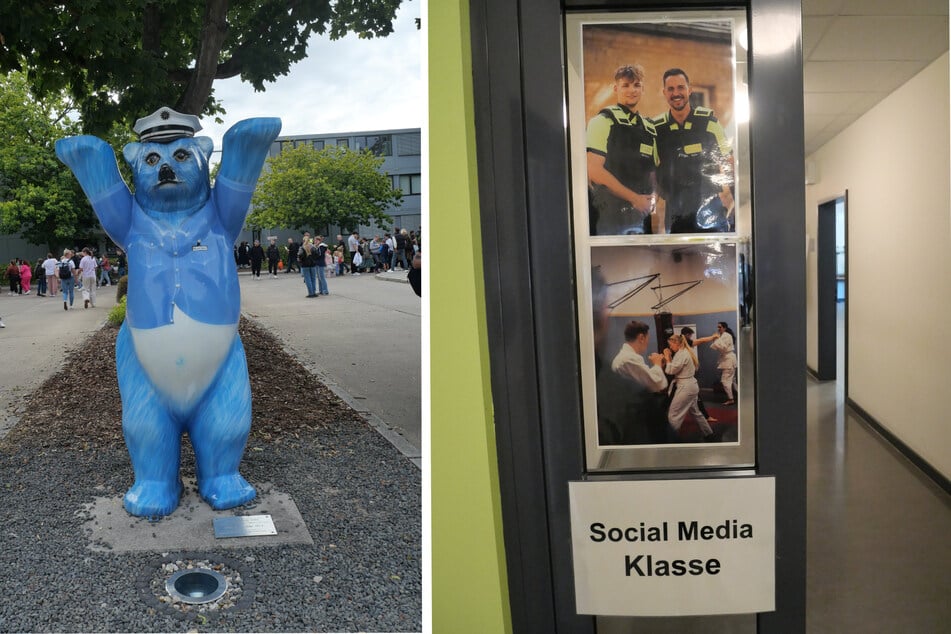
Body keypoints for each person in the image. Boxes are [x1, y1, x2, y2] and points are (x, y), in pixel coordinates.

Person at [652, 67, 735, 234]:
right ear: (664, 92)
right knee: (677, 259)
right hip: (675, 213)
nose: (676, 93)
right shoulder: (656, 129)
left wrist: (732, 203)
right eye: (671, 89)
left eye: (681, 87)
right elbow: (650, 169)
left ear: (689, 90)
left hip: (710, 210)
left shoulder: (710, 123)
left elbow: (729, 162)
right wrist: (655, 203)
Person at [586, 64, 658, 235]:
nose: (631, 90)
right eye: (626, 85)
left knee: (644, 262)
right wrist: (635, 199)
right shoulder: (602, 121)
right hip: (608, 214)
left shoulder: (649, 128)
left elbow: (653, 172)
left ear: (643, 89)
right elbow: (593, 170)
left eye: (637, 85)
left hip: (641, 215)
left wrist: (652, 198)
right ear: (616, 88)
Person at [663, 333, 718, 441]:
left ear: (676, 343)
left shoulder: (682, 354)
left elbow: (670, 370)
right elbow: (675, 367)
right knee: (696, 413)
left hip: (686, 387)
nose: (670, 347)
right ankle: (709, 434)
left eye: (671, 345)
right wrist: (669, 358)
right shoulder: (685, 352)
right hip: (691, 386)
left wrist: (667, 358)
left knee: (673, 415)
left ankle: (670, 440)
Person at [695, 321, 738, 405]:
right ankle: (738, 395)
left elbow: (723, 347)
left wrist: (716, 339)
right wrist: (716, 339)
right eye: (718, 327)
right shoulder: (723, 336)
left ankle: (731, 399)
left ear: (724, 328)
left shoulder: (726, 335)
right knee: (732, 381)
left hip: (728, 360)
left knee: (725, 381)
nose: (718, 328)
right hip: (728, 359)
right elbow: (717, 346)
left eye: (720, 327)